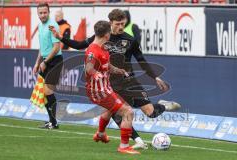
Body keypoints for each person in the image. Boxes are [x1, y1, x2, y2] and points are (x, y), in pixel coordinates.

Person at [50, 9, 181, 149]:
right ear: (110, 23)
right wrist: (60, 37)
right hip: (110, 84)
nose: (121, 27)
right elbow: (79, 45)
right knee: (118, 113)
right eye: (117, 24)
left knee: (150, 113)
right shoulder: (101, 37)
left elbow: (141, 60)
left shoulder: (130, 40)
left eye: (122, 24)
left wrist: (155, 77)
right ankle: (133, 141)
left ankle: (163, 105)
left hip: (129, 81)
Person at [85, 20, 140, 154]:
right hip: (98, 90)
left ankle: (100, 133)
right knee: (128, 112)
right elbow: (88, 68)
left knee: (109, 110)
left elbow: (107, 65)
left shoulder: (103, 48)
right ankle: (124, 146)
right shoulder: (93, 50)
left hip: (105, 87)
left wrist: (118, 70)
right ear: (107, 35)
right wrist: (95, 74)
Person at [33, 2, 63, 129]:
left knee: (47, 91)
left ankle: (54, 122)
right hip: (45, 61)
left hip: (54, 61)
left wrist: (45, 62)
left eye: (45, 12)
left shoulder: (52, 25)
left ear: (49, 12)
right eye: (41, 13)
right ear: (38, 14)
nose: (43, 15)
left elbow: (56, 48)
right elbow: (42, 47)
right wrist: (37, 62)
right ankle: (51, 121)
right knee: (43, 92)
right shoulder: (40, 26)